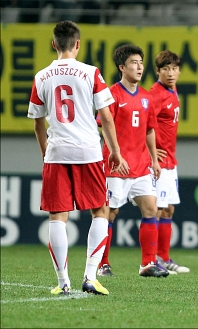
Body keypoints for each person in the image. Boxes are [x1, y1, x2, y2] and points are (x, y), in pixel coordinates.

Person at [27, 20, 128, 295]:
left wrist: (44, 150)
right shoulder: (91, 73)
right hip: (88, 152)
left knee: (57, 217)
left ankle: (62, 283)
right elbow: (106, 116)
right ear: (78, 44)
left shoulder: (41, 77)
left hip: (57, 152)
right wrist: (116, 151)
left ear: (54, 44)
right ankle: (90, 276)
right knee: (100, 211)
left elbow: (37, 122)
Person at [97, 44, 169, 278]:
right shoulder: (111, 95)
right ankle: (102, 263)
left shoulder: (147, 96)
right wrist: (115, 153)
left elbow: (149, 130)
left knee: (151, 209)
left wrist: (154, 160)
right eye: (133, 63)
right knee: (109, 214)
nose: (139, 67)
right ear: (121, 67)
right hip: (116, 167)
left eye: (140, 63)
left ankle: (147, 264)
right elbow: (103, 127)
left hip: (140, 167)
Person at [150, 50, 190, 274]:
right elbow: (145, 122)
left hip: (170, 160)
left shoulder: (172, 90)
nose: (171, 73)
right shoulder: (155, 94)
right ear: (158, 71)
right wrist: (151, 151)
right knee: (156, 209)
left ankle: (164, 257)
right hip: (159, 162)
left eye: (174, 68)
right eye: (165, 69)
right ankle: (153, 258)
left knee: (168, 209)